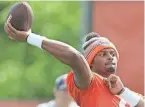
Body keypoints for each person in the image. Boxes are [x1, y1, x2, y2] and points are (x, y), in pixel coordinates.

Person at [4, 22, 144, 107]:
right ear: (90, 63)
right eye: (103, 54)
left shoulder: (120, 91)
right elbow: (74, 57)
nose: (110, 57)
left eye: (112, 54)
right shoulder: (90, 83)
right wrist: (30, 37)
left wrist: (122, 92)